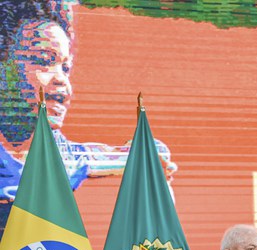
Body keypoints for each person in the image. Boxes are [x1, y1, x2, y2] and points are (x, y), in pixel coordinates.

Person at [0, 0, 176, 232]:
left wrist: (151, 157)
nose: (62, 79)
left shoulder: (62, 156)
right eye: (44, 60)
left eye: (66, 68)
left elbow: (108, 156)